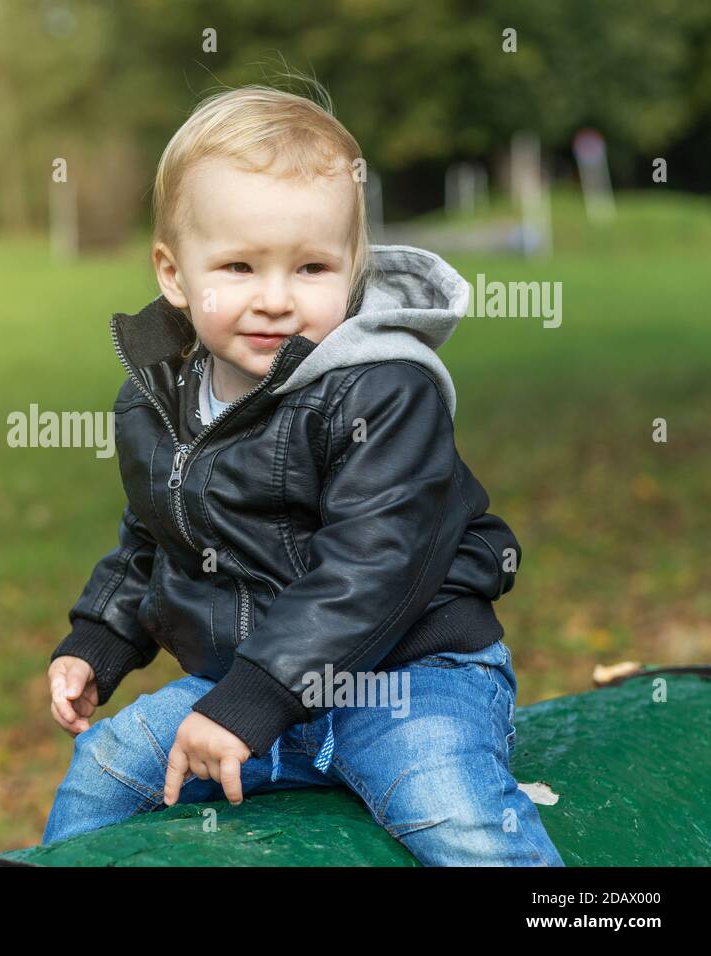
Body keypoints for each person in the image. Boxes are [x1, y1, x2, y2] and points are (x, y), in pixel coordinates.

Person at [42, 82, 564, 866]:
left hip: (405, 678)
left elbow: (375, 564)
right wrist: (98, 640)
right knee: (104, 772)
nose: (276, 300)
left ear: (353, 272)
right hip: (247, 690)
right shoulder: (157, 400)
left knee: (452, 813)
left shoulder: (386, 389)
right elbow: (154, 533)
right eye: (241, 266)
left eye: (313, 267)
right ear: (175, 274)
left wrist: (255, 700)